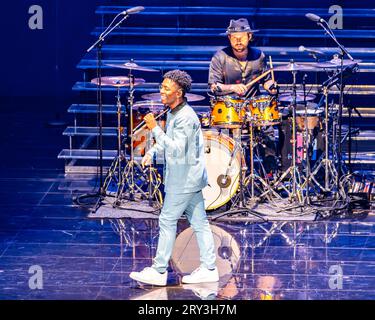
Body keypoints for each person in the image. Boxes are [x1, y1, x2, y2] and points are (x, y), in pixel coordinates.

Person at [129, 70, 219, 286]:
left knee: (167, 220)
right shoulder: (173, 112)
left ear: (178, 93)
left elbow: (177, 149)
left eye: (166, 88)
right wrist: (151, 152)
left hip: (184, 180)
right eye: (162, 86)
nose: (161, 91)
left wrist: (154, 129)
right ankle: (209, 268)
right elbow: (169, 141)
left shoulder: (186, 118)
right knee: (200, 223)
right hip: (188, 177)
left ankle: (159, 270)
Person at [208, 18, 277, 97]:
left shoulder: (259, 56)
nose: (238, 41)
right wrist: (232, 87)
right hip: (227, 106)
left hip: (253, 106)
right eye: (234, 38)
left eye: (242, 37)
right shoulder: (219, 57)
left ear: (249, 36)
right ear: (229, 37)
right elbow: (213, 86)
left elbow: (266, 81)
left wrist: (271, 87)